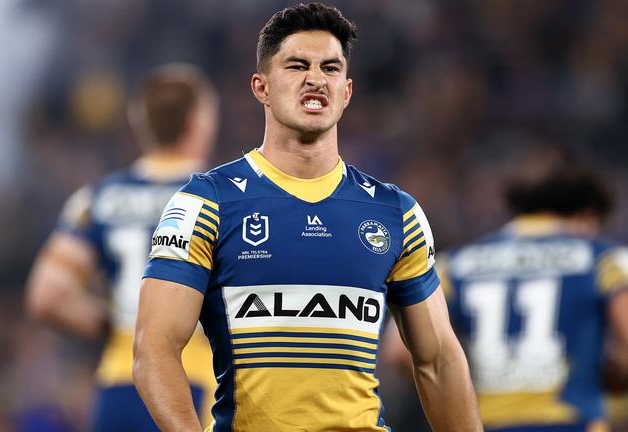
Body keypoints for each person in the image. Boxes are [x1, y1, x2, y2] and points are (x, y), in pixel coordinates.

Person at [133, 3, 481, 432]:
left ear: (347, 92)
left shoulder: (396, 212)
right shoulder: (207, 203)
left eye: (330, 68)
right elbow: (154, 348)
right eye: (297, 65)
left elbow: (439, 361)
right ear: (261, 87)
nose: (316, 78)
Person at [386, 148, 628, 432]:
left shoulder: (455, 265)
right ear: (587, 215)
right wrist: (613, 380)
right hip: (570, 423)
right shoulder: (606, 259)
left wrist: (462, 389)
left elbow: (401, 350)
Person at [26, 63, 219, 431]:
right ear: (198, 121)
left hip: (119, 380)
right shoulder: (222, 196)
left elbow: (47, 296)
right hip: (192, 383)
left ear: (141, 124)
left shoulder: (101, 197)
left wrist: (114, 325)